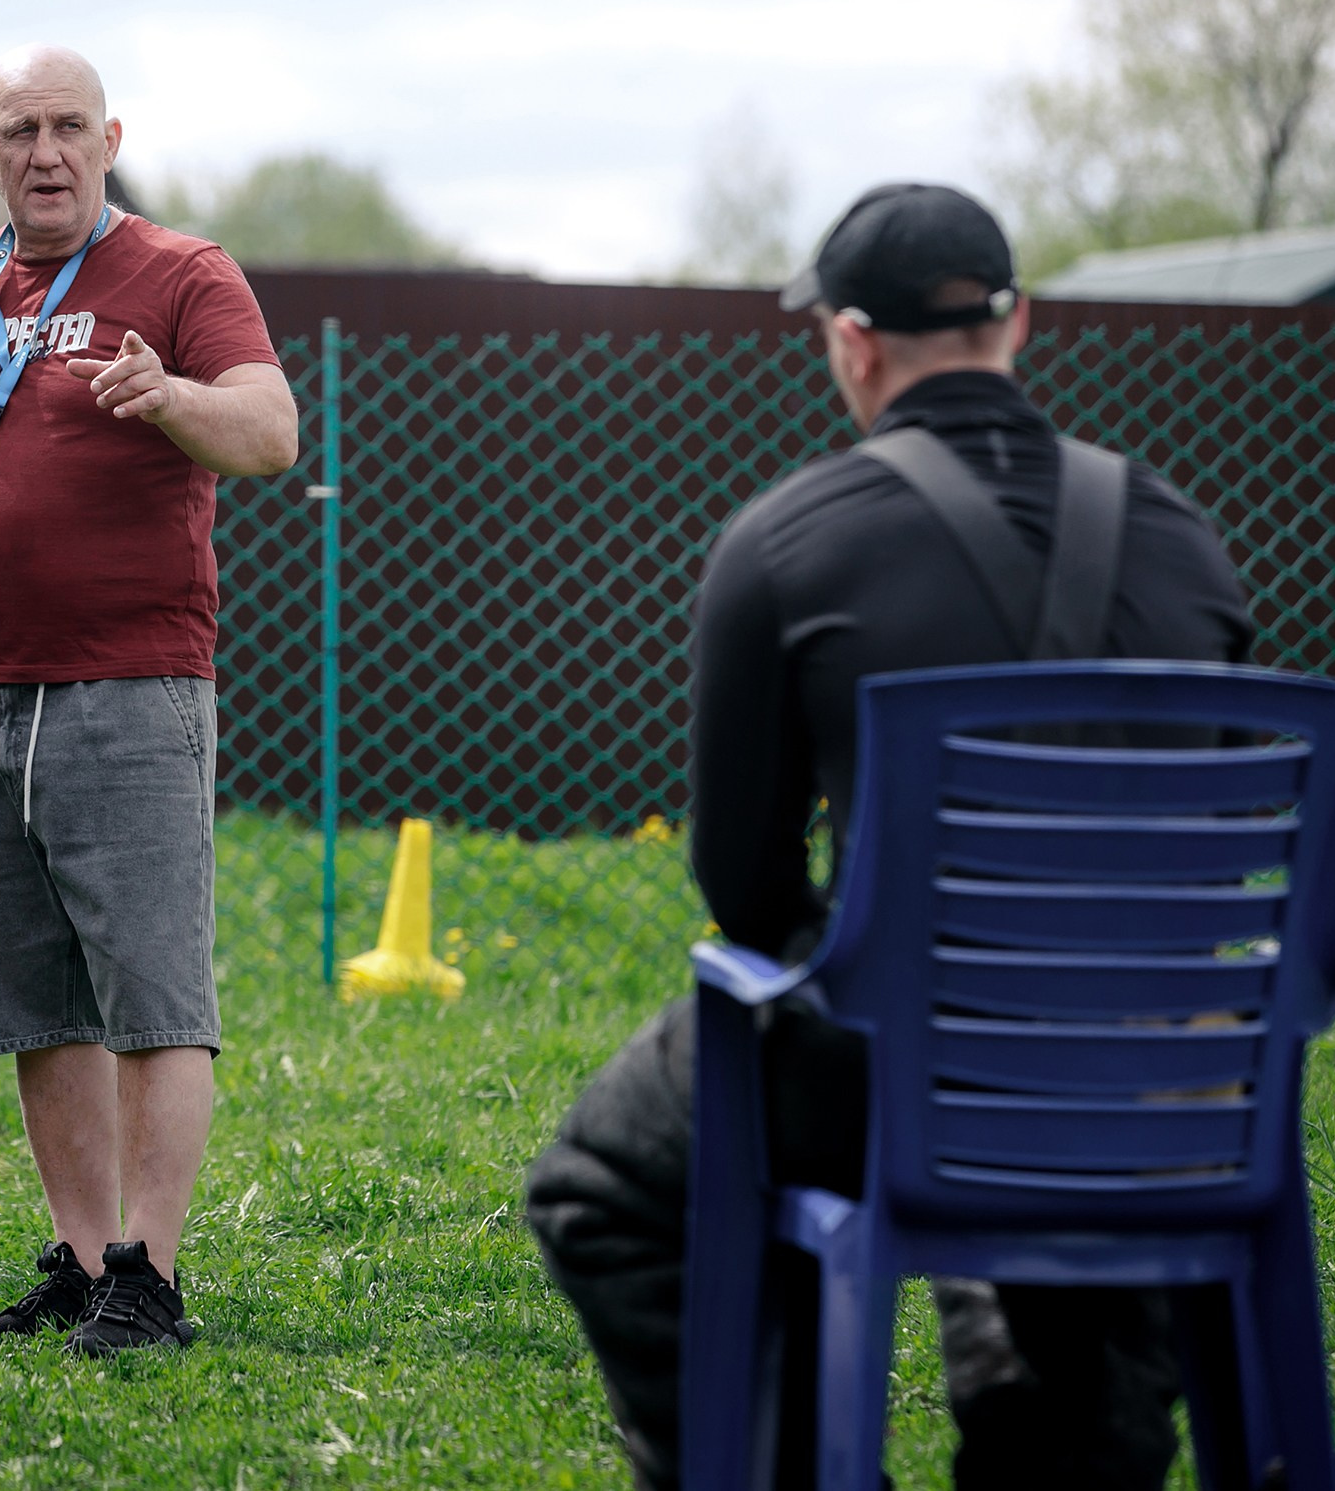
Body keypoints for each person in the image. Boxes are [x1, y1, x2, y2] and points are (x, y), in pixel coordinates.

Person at [526, 183, 1255, 1489]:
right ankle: (1069, 1427)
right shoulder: (1184, 535)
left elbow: (747, 888)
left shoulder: (788, 541)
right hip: (1175, 1077)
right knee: (1054, 1094)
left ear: (853, 343)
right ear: (1016, 323)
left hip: (906, 1065)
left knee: (604, 1179)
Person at [0, 44, 299, 1357]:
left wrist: (169, 397)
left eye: (68, 127)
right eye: (19, 131)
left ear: (111, 140)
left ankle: (150, 1277)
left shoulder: (185, 274)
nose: (45, 153)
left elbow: (272, 434)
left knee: (151, 995)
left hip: (130, 685)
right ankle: (87, 1258)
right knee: (34, 1000)